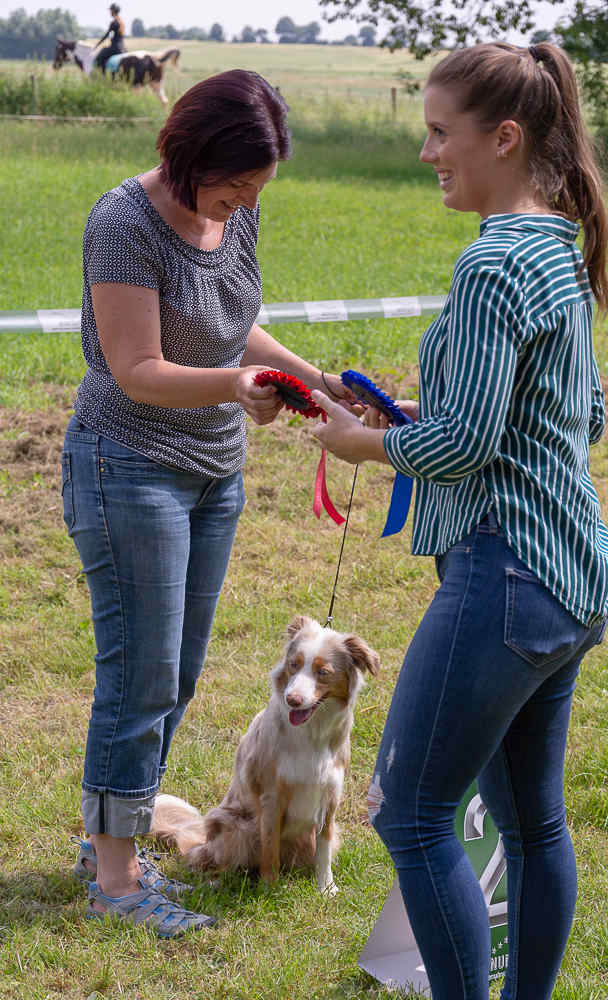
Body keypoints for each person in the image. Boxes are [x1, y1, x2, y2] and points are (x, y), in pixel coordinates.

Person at [311, 42, 608, 1000]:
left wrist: (365, 443)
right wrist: (415, 418)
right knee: (531, 822)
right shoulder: (555, 252)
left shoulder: (493, 266)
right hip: (570, 579)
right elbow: (582, 418)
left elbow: (465, 447)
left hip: (507, 579)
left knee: (408, 814)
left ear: (503, 137)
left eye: (438, 134)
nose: (425, 154)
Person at [62, 69, 356, 937]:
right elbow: (136, 368)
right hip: (128, 463)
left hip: (211, 474)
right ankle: (115, 877)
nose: (244, 201)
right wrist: (235, 385)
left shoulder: (236, 213)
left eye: (258, 188)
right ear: (190, 153)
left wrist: (311, 379)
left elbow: (235, 323)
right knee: (140, 672)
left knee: (179, 667)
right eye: (235, 183)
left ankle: (111, 833)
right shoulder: (124, 222)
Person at [94, 3, 126, 74]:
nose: (110, 12)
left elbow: (106, 36)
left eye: (110, 10)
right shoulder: (121, 22)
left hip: (115, 48)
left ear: (113, 11)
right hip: (123, 47)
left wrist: (97, 45)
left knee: (98, 58)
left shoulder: (114, 23)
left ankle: (103, 75)